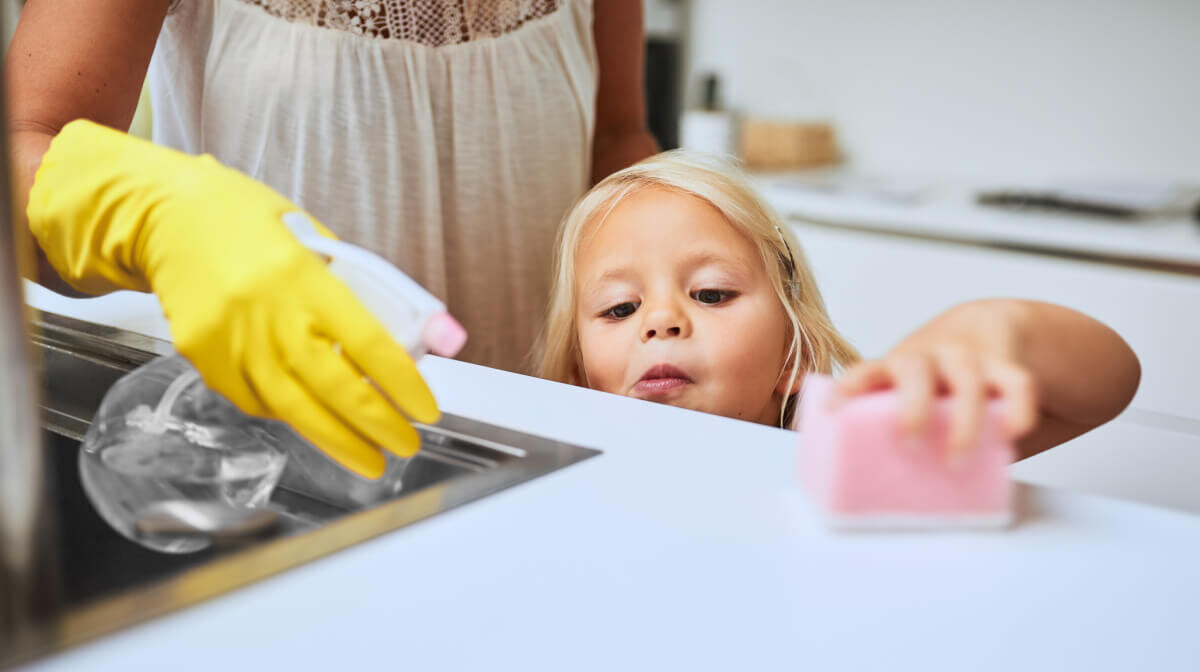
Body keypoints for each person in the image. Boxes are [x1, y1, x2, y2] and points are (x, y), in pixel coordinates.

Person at [6, 0, 657, 477]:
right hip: (267, 473)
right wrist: (148, 212)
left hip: (551, 465)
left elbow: (617, 140)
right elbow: (21, 145)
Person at [536, 152, 1142, 458]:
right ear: (577, 375)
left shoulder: (845, 442)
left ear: (790, 355)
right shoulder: (561, 467)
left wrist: (987, 329)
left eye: (712, 293)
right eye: (619, 308)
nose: (660, 320)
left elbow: (1109, 382)